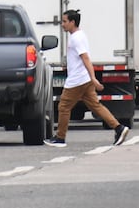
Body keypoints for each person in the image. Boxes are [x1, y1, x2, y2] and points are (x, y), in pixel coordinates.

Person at [44, 9, 130, 148]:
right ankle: (119, 128)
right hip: (83, 79)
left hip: (78, 79)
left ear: (72, 22)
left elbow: (85, 58)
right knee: (96, 106)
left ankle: (60, 138)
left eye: (65, 21)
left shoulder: (76, 38)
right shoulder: (79, 35)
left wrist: (93, 78)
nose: (62, 24)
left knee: (64, 106)